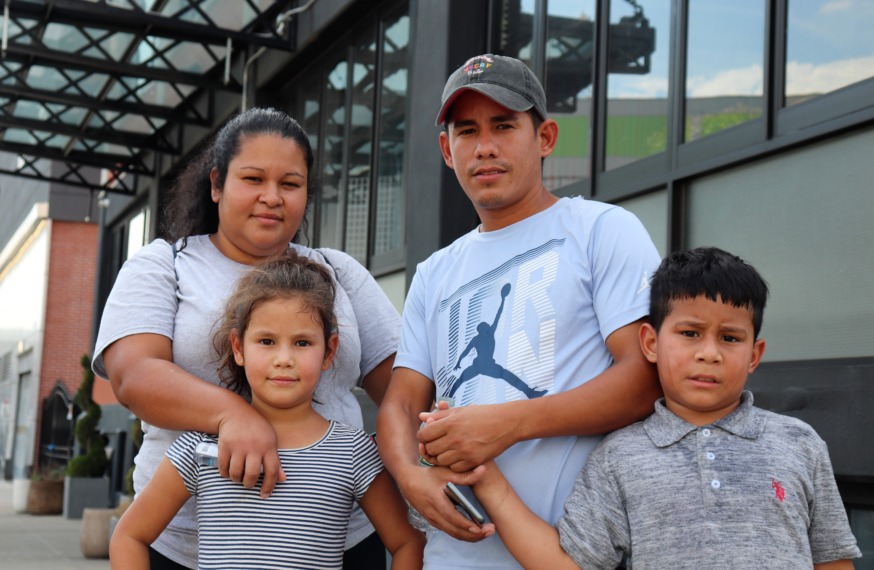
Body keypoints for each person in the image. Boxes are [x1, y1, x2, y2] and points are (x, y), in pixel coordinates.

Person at [376, 53, 663, 568]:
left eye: (504, 125)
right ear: (447, 149)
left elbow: (646, 377)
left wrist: (511, 423)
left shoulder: (600, 230)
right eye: (467, 131)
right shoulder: (433, 272)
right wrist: (410, 476)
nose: (485, 147)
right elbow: (398, 404)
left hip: (574, 555)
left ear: (545, 137)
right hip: (452, 555)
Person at [93, 108, 402, 569]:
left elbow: (404, 387)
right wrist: (233, 414)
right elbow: (134, 375)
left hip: (338, 538)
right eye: (253, 179)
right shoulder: (165, 265)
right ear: (217, 185)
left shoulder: (338, 272)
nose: (271, 197)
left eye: (291, 184)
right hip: (190, 544)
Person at [464, 247, 862, 569]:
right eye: (690, 333)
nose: (710, 353)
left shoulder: (799, 443)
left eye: (730, 338)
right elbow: (568, 564)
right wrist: (487, 479)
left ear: (755, 354)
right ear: (651, 343)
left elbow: (832, 559)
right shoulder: (619, 457)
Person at [109, 253, 425, 569]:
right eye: (267, 341)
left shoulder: (353, 453)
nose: (284, 358)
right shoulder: (200, 449)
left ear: (328, 351)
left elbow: (407, 542)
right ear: (238, 348)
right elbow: (129, 537)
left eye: (302, 343)